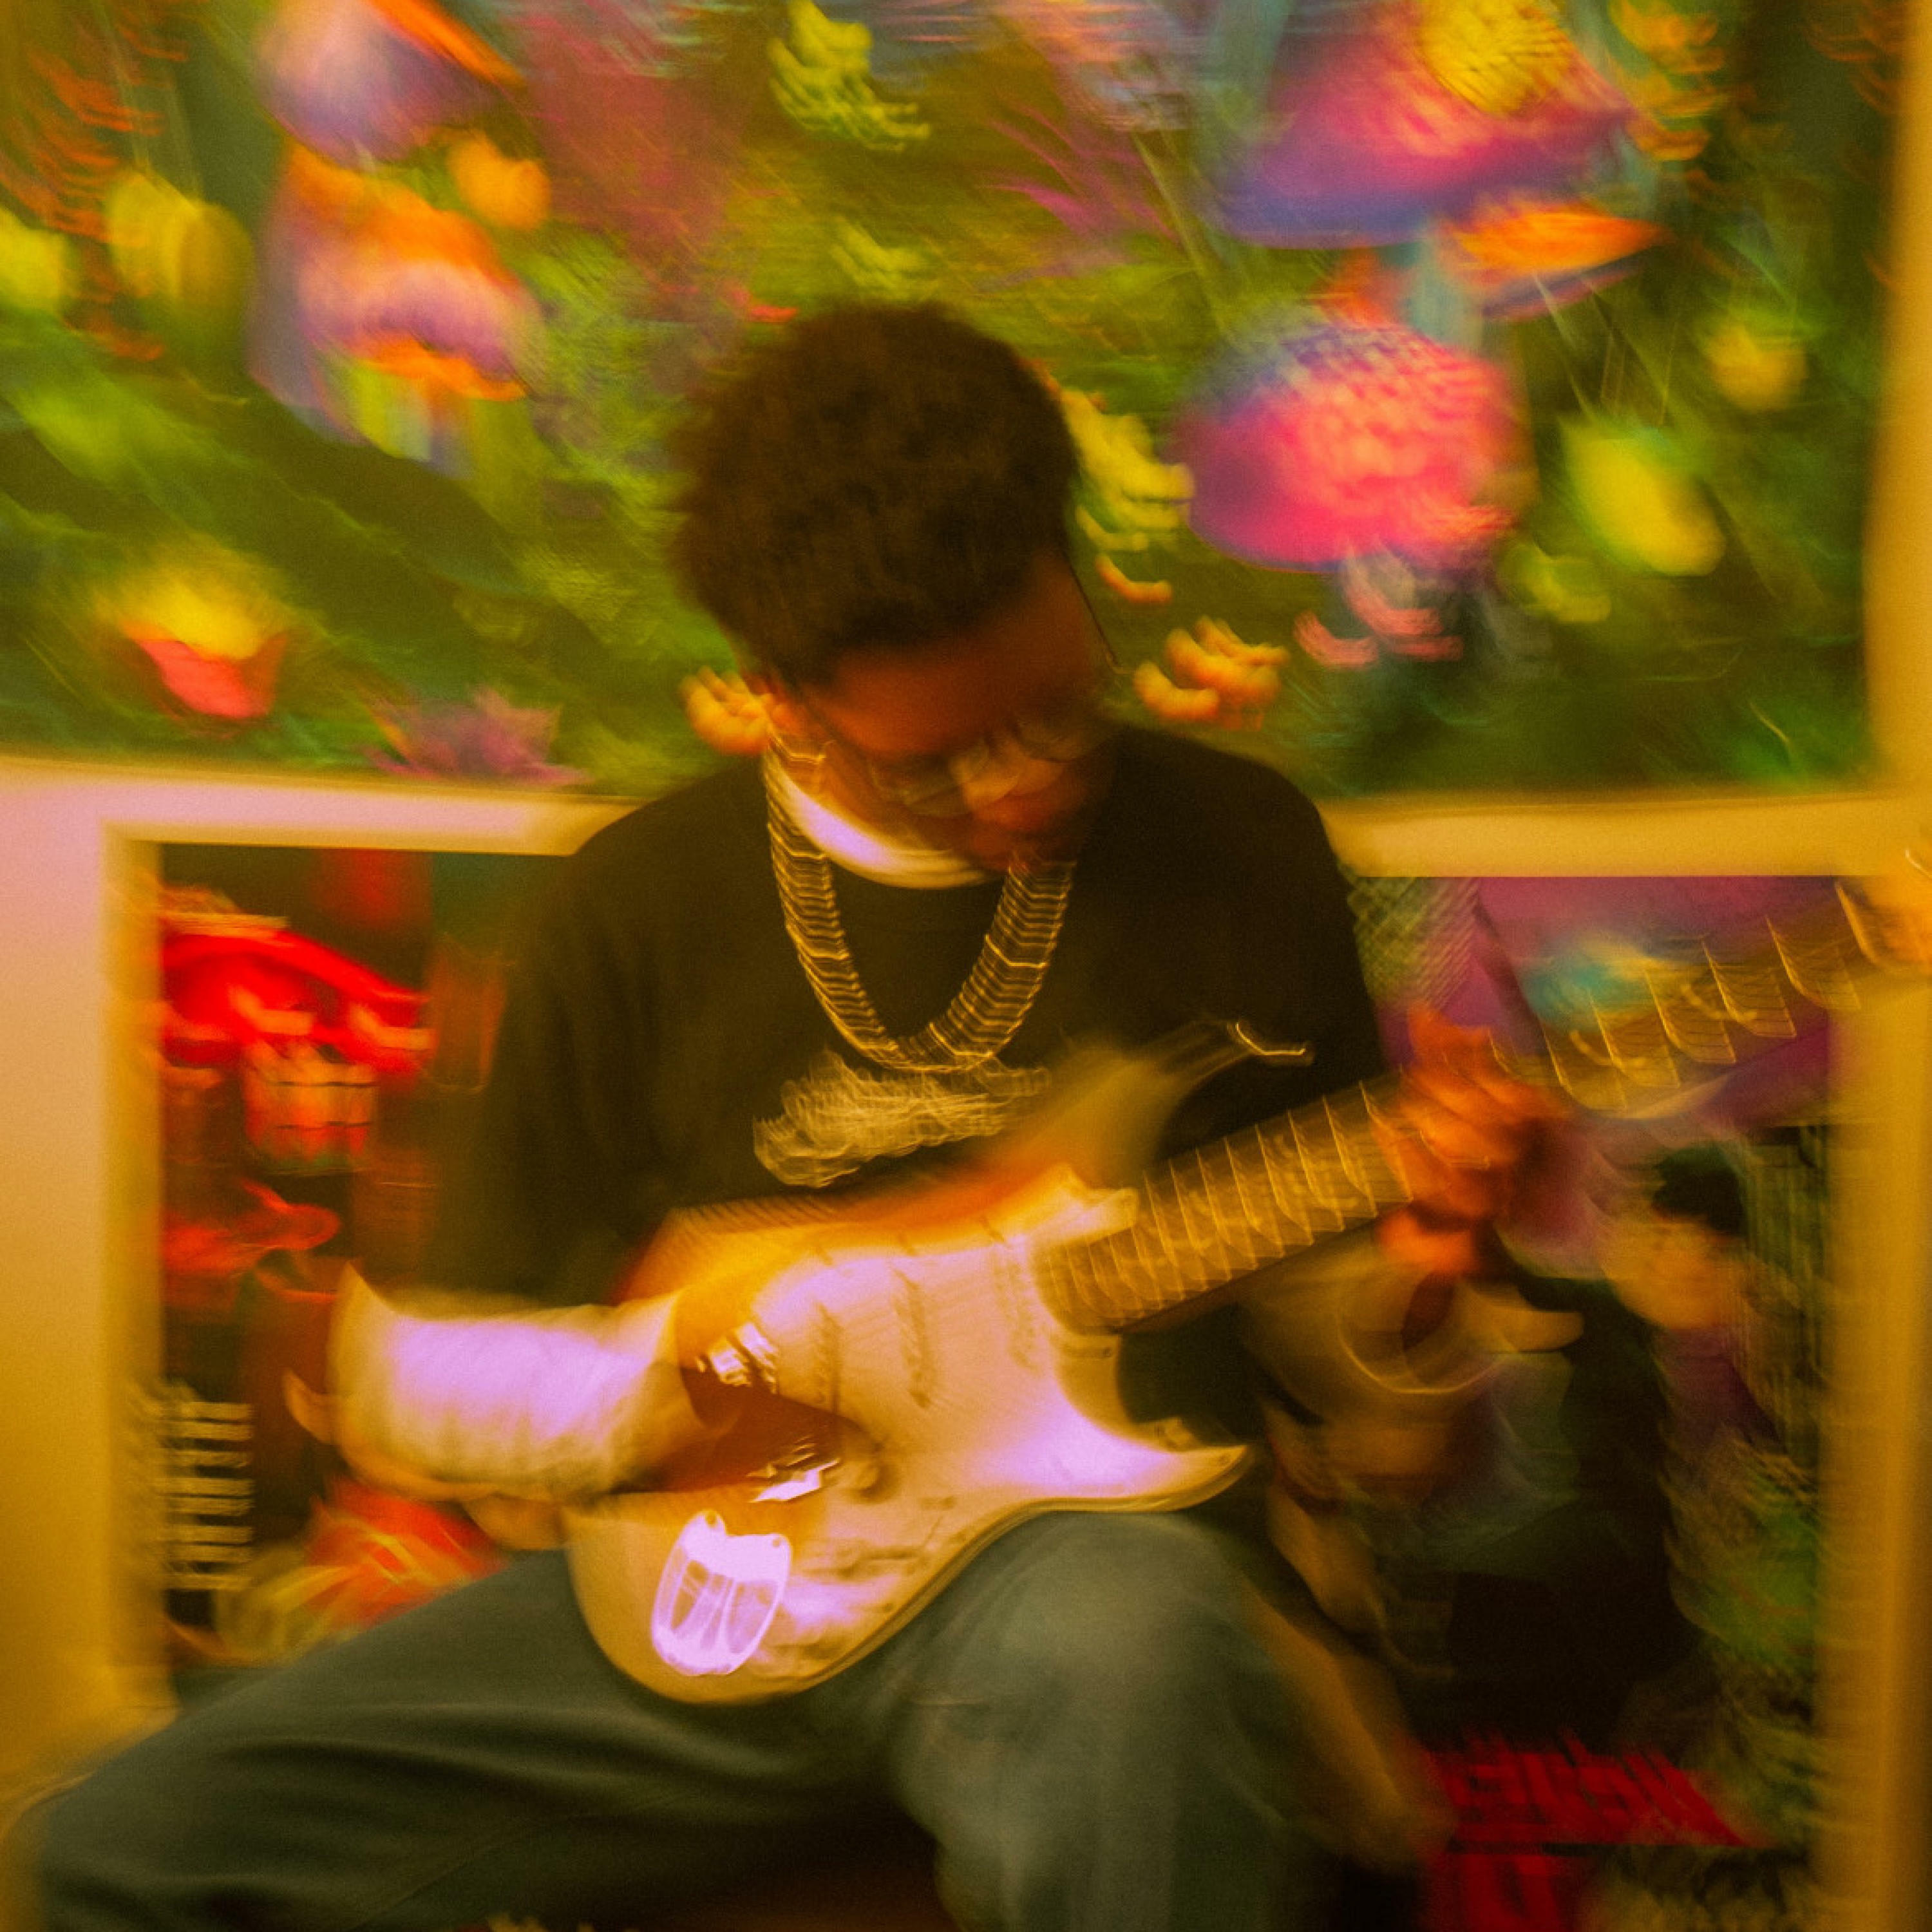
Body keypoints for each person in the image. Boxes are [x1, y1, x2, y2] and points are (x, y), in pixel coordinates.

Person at [26, 304, 1540, 1932]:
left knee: (1140, 1642)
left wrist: (1423, 1281)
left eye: (1055, 713)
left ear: (1077, 571)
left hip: (1083, 1595)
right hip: (712, 1604)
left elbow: (1351, 1388)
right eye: (939, 764)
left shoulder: (1242, 846)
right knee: (119, 1850)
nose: (1022, 788)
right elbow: (421, 1383)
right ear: (781, 696)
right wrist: (676, 1383)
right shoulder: (636, 900)